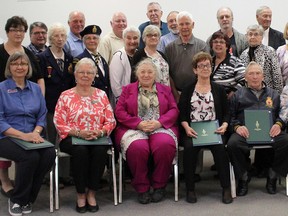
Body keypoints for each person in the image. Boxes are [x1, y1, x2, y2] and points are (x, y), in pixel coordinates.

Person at [53, 58, 116, 213]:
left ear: (94, 75)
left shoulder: (101, 95)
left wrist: (100, 132)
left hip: (97, 137)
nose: (85, 75)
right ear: (75, 75)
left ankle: (92, 193)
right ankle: (81, 194)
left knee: (100, 151)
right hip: (72, 137)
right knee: (80, 151)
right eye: (82, 72)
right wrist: (79, 132)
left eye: (89, 72)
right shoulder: (65, 96)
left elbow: (111, 120)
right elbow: (58, 121)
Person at [115, 58, 178, 204]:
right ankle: (142, 188)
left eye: (150, 72)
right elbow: (119, 111)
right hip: (135, 127)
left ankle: (159, 185)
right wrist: (138, 124)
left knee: (164, 146)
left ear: (155, 74)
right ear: (137, 74)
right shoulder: (127, 90)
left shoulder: (165, 90)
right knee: (137, 148)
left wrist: (159, 122)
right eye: (142, 72)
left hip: (159, 126)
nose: (146, 75)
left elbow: (174, 110)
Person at [0, 52, 55, 216]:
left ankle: (28, 198)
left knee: (49, 154)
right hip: (6, 136)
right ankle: (18, 199)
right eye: (15, 64)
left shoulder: (36, 88)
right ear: (9, 67)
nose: (19, 67)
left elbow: (42, 114)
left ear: (28, 68)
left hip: (33, 135)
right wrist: (24, 136)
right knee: (30, 157)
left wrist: (36, 133)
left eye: (23, 64)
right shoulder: (1, 88)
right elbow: (0, 120)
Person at [227, 61, 288, 196]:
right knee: (232, 144)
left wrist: (278, 125)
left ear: (263, 76)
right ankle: (243, 177)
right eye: (251, 74)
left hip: (269, 132)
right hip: (245, 133)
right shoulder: (238, 95)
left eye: (258, 73)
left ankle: (272, 176)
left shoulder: (273, 94)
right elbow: (230, 117)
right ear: (245, 77)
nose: (255, 76)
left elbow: (281, 114)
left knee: (285, 141)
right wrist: (237, 127)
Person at [178, 52, 232, 204]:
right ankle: (190, 189)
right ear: (195, 70)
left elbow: (227, 112)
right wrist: (186, 127)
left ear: (211, 67)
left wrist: (225, 125)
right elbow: (181, 112)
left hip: (214, 130)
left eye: (207, 65)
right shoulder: (188, 89)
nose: (204, 68)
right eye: (200, 66)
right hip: (193, 130)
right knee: (188, 148)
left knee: (221, 149)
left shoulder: (219, 89)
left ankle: (226, 188)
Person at [0, 15, 45, 199]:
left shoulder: (29, 53)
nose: (18, 33)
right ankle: (6, 182)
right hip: (7, 109)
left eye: (21, 30)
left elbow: (40, 77)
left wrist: (36, 98)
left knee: (41, 154)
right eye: (14, 29)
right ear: (7, 32)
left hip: (28, 104)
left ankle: (25, 190)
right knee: (27, 155)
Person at [37, 23, 74, 145]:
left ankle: (63, 165)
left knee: (65, 139)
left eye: (63, 35)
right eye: (56, 36)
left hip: (67, 107)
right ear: (51, 38)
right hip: (50, 106)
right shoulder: (42, 57)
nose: (60, 39)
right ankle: (51, 164)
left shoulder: (70, 58)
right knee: (50, 139)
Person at [165, 11, 209, 102]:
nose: (184, 27)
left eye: (187, 23)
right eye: (181, 24)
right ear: (177, 26)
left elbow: (206, 71)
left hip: (198, 93)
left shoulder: (202, 46)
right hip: (176, 94)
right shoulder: (170, 48)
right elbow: (167, 73)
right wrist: (175, 94)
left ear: (193, 25)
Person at [240, 24, 283, 94]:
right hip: (249, 94)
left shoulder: (269, 51)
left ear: (261, 37)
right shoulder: (243, 54)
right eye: (250, 34)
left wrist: (277, 95)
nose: (253, 37)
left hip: (268, 93)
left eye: (256, 34)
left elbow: (277, 75)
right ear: (246, 37)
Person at [75, 25, 110, 98]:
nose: (92, 41)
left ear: (99, 40)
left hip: (103, 99)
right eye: (88, 38)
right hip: (87, 99)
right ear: (84, 41)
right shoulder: (79, 60)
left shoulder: (102, 59)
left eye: (95, 38)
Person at [209, 31, 245, 99]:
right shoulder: (208, 62)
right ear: (211, 45)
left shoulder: (235, 62)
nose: (218, 44)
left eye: (222, 42)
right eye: (215, 42)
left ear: (227, 46)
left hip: (229, 101)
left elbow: (244, 81)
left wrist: (232, 93)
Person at [109, 26, 140, 101]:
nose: (132, 41)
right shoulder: (118, 56)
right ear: (123, 39)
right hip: (124, 100)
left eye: (135, 38)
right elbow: (115, 85)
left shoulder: (139, 54)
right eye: (129, 38)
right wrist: (123, 101)